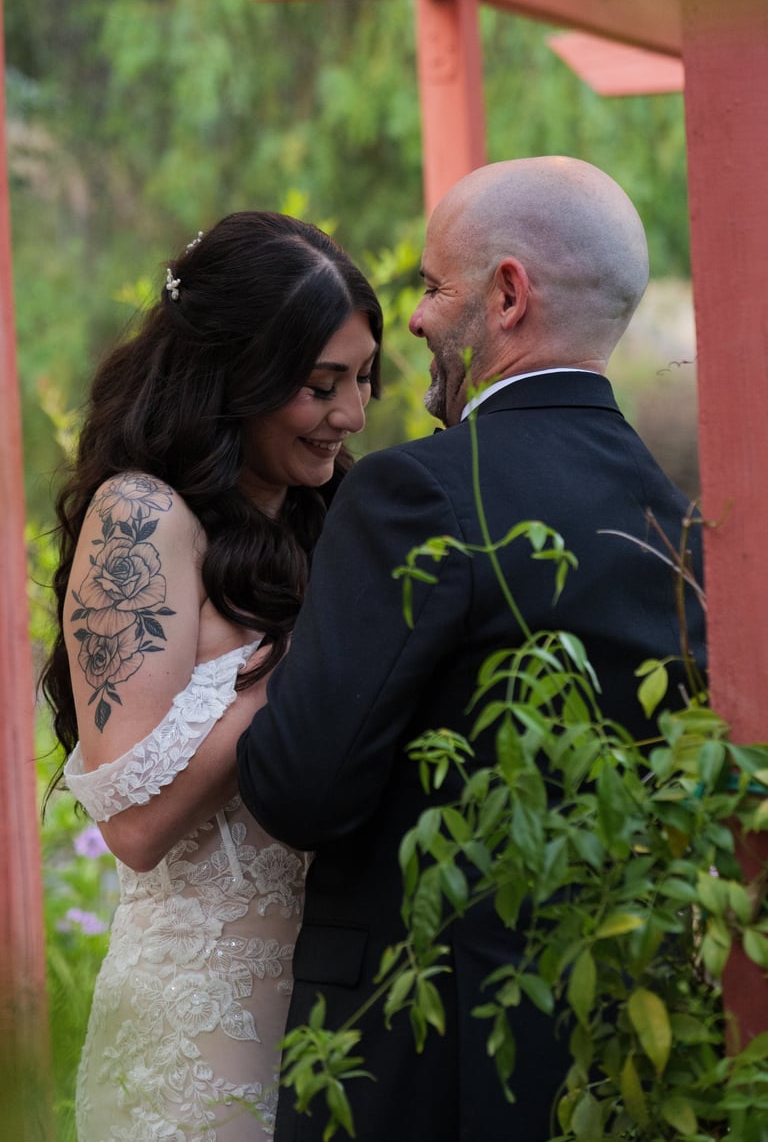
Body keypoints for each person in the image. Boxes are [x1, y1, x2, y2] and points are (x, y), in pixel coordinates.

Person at [236, 157, 707, 1142]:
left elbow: (300, 789)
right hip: (611, 1064)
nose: (413, 319)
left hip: (412, 1068)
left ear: (507, 295)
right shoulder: (681, 525)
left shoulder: (419, 494)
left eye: (432, 286)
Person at [41, 210, 382, 1142]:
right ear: (237, 372)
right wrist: (312, 649)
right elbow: (136, 827)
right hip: (193, 1046)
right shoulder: (141, 516)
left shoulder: (329, 519)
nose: (352, 416)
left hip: (335, 1033)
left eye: (364, 379)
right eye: (321, 386)